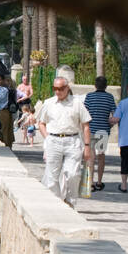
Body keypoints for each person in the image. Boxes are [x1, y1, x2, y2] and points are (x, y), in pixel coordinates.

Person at [36, 75, 92, 205]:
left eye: (60, 88)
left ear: (67, 88)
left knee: (72, 174)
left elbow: (86, 125)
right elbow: (41, 123)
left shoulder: (77, 103)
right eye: (55, 88)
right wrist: (47, 138)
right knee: (52, 176)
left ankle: (70, 201)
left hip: (72, 141)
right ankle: (56, 203)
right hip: (53, 140)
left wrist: (87, 146)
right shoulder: (49, 103)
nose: (57, 91)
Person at [82, 76, 117, 191]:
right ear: (106, 86)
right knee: (101, 156)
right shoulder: (109, 97)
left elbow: (84, 112)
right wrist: (110, 125)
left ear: (95, 86)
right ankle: (99, 181)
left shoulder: (89, 96)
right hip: (103, 130)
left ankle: (90, 182)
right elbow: (114, 114)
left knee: (90, 156)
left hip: (91, 129)